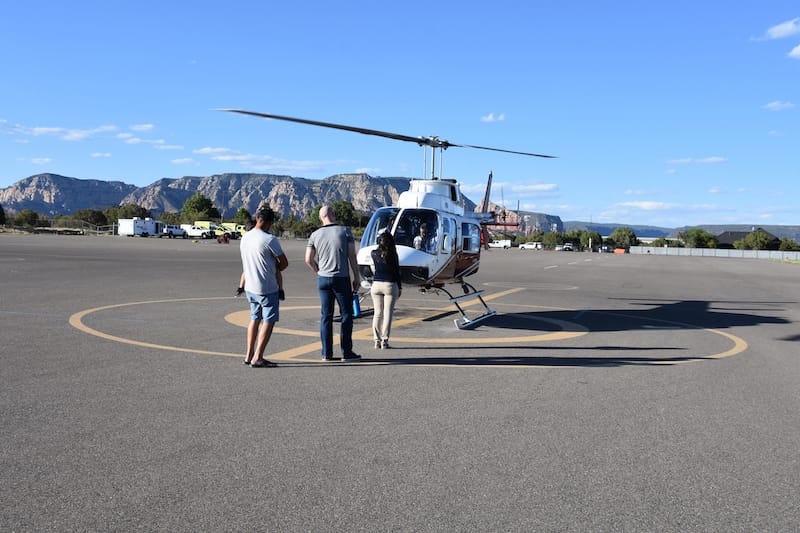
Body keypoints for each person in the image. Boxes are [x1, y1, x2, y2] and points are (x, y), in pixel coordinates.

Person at [305, 205, 361, 362]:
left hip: (323, 279)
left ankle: (326, 353)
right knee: (346, 315)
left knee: (326, 316)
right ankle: (346, 352)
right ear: (333, 215)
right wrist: (356, 276)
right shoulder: (345, 231)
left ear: (320, 217)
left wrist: (318, 270)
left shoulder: (315, 235)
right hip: (341, 278)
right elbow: (351, 255)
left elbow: (308, 259)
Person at [238, 206, 288, 368]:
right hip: (266, 287)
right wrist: (274, 269)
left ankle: (248, 354)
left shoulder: (245, 237)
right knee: (268, 321)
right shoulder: (269, 239)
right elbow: (284, 262)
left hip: (250, 287)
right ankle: (258, 357)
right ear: (269, 222)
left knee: (254, 319)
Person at [370, 231, 402, 349]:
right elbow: (397, 272)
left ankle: (376, 340)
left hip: (376, 284)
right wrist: (400, 286)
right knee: (388, 313)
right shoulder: (393, 254)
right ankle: (385, 340)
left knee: (377, 313)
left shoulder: (373, 253)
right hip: (390, 284)